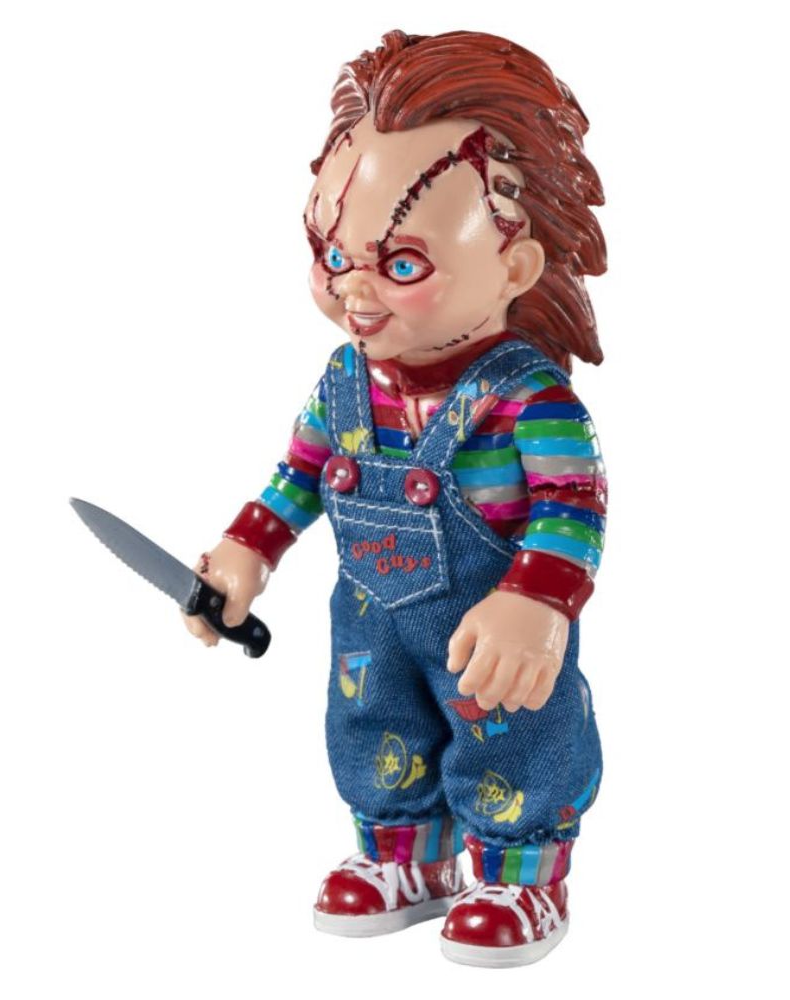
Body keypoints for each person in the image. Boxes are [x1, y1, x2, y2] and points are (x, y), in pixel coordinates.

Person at [182, 29, 608, 968]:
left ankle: (523, 873)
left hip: (489, 632)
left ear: (516, 268)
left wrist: (537, 603)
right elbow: (296, 476)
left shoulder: (529, 398)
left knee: (512, 737)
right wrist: (246, 551)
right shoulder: (346, 382)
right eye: (332, 256)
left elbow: (574, 503)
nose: (356, 292)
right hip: (372, 622)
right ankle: (404, 856)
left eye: (403, 265)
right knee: (374, 726)